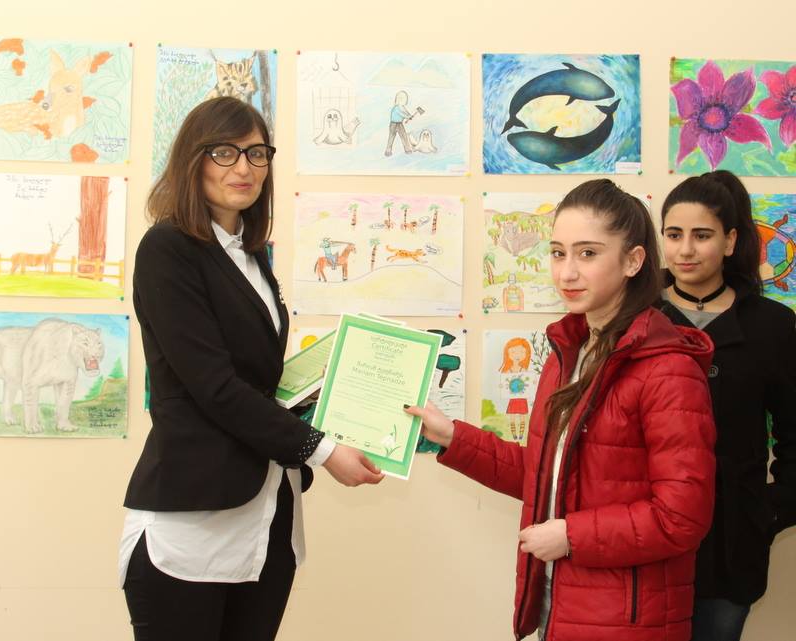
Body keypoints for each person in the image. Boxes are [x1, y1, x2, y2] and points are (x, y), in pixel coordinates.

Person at [119, 96, 384, 641]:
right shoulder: (167, 248)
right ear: (192, 161)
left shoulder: (252, 253)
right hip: (193, 521)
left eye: (257, 153)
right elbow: (214, 387)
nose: (244, 168)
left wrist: (334, 398)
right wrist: (324, 450)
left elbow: (258, 383)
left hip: (268, 516)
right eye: (225, 152)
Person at [406, 179, 717, 641]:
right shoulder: (570, 352)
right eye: (557, 253)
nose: (567, 273)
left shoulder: (668, 370)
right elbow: (545, 477)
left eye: (587, 254)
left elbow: (681, 518)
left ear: (633, 261)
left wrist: (571, 536)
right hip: (561, 603)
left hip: (626, 621)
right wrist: (452, 435)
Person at [658, 170, 796, 641]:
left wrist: (770, 511)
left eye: (702, 235)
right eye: (674, 234)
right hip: (647, 537)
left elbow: (793, 432)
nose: (685, 250)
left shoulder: (772, 325)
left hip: (733, 540)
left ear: (730, 241)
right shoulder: (636, 317)